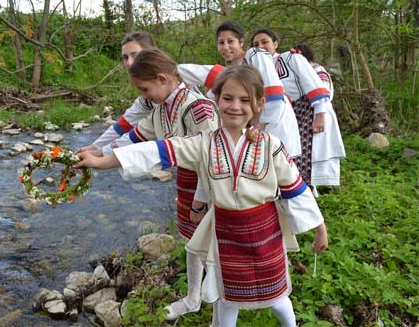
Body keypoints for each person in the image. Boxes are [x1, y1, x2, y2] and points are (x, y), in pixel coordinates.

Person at [75, 65, 328, 327]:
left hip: (265, 232)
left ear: (259, 104)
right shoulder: (201, 143)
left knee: (276, 296)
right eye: (228, 98)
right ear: (216, 100)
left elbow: (294, 188)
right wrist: (102, 161)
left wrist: (319, 227)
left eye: (244, 100)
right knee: (228, 296)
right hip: (226, 233)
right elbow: (158, 151)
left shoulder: (271, 145)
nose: (235, 106)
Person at [93, 48, 221, 320]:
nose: (144, 96)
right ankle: (194, 298)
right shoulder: (163, 108)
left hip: (211, 187)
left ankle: (221, 309)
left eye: (145, 89)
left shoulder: (198, 109)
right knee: (191, 240)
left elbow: (213, 160)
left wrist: (200, 200)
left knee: (214, 247)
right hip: (187, 180)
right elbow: (136, 136)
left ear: (162, 78)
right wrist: (98, 153)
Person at [178, 21, 301, 159]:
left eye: (230, 41)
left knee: (278, 172)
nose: (225, 47)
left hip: (276, 123)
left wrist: (258, 127)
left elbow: (274, 93)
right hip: (260, 128)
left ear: (241, 42)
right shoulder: (234, 71)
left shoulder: (255, 54)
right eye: (221, 42)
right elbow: (212, 98)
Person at [252, 27, 346, 189]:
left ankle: (305, 199)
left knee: (302, 162)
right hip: (288, 116)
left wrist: (320, 114)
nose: (260, 46)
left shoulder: (289, 58)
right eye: (256, 44)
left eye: (264, 42)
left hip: (306, 111)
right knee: (286, 160)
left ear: (275, 44)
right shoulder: (259, 69)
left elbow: (314, 83)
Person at [77, 31, 157, 153]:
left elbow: (138, 135)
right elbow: (123, 125)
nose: (129, 62)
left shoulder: (179, 83)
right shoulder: (145, 100)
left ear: (150, 54)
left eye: (134, 55)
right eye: (125, 57)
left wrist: (99, 153)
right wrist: (93, 148)